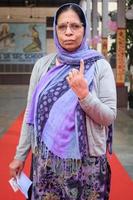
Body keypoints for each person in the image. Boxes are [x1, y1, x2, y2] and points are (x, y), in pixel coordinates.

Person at [9, 3, 117, 200]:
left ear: (84, 29)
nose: (68, 32)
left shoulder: (99, 66)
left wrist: (85, 96)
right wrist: (19, 155)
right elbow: (30, 114)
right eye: (62, 26)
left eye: (75, 26)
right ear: (55, 30)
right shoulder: (43, 65)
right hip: (46, 164)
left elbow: (108, 117)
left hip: (88, 166)